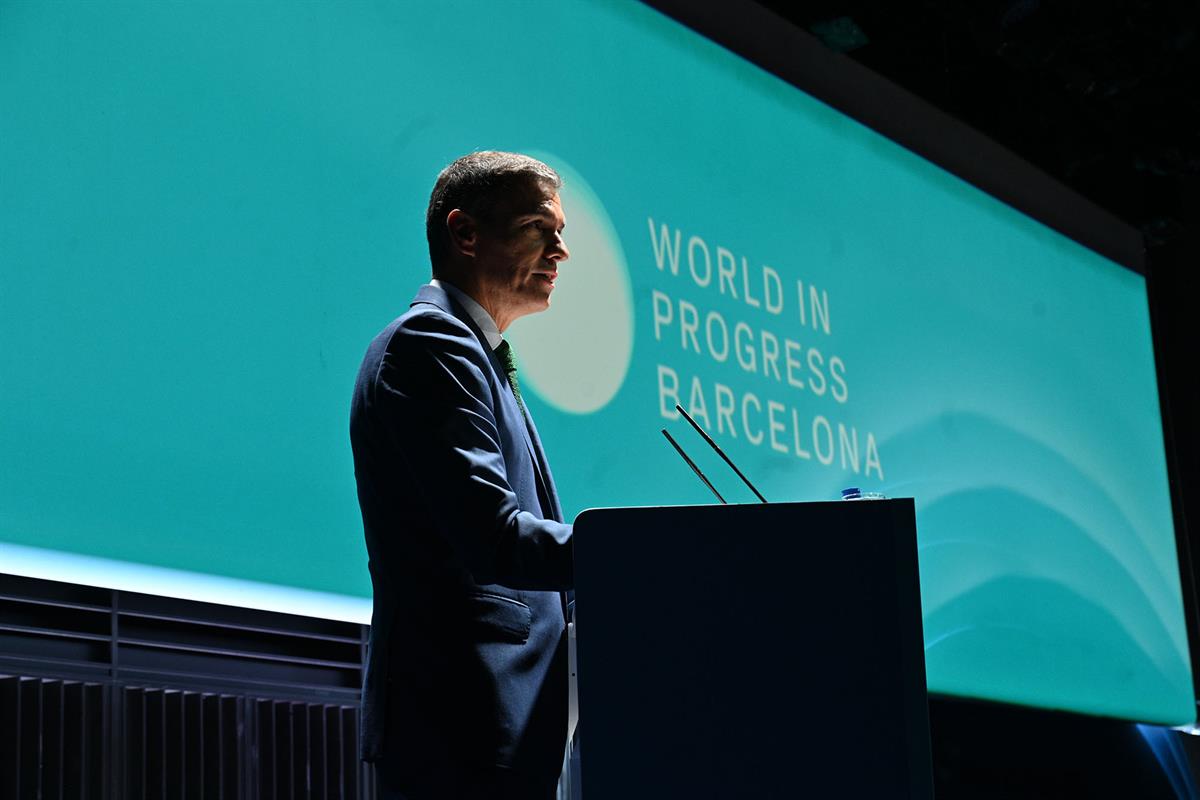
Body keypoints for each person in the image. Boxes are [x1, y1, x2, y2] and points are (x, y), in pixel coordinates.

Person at [350, 151, 575, 800]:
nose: (560, 253)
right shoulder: (432, 342)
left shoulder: (477, 353)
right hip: (463, 720)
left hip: (498, 723)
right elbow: (495, 539)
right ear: (465, 232)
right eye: (539, 227)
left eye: (561, 233)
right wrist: (644, 550)